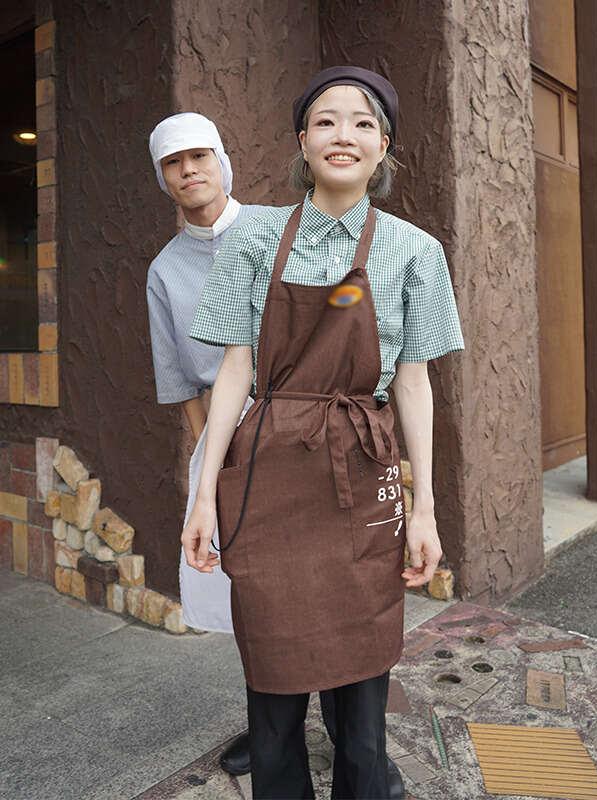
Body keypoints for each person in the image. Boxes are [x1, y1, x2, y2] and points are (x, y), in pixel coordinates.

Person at [184, 66, 464, 799]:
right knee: (272, 669)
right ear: (302, 141)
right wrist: (203, 496)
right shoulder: (250, 239)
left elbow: (412, 381)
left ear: (384, 147)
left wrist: (425, 507)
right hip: (268, 472)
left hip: (362, 473)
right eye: (328, 120)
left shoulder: (416, 251)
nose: (345, 134)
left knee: (365, 670)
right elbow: (234, 372)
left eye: (363, 122)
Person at [146, 111, 406, 795]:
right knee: (265, 609)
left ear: (225, 160)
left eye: (201, 155)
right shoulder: (165, 272)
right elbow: (189, 384)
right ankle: (274, 740)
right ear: (162, 179)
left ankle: (364, 752)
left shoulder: (284, 227)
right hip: (244, 448)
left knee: (345, 601)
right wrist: (215, 471)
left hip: (322, 437)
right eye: (174, 163)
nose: (190, 171)